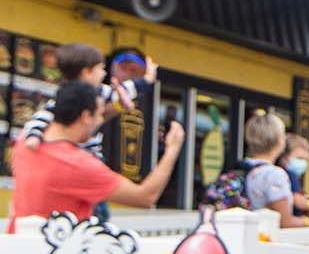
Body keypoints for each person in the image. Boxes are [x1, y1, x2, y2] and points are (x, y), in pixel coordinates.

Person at [9, 82, 182, 220]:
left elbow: (84, 127)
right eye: (99, 114)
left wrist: (116, 108)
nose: (101, 120)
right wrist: (172, 149)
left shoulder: (25, 143)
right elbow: (145, 197)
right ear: (85, 117)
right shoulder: (77, 165)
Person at [240, 113, 309, 227]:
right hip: (260, 240)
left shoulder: (241, 167)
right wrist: (306, 221)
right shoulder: (274, 175)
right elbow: (285, 222)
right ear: (279, 141)